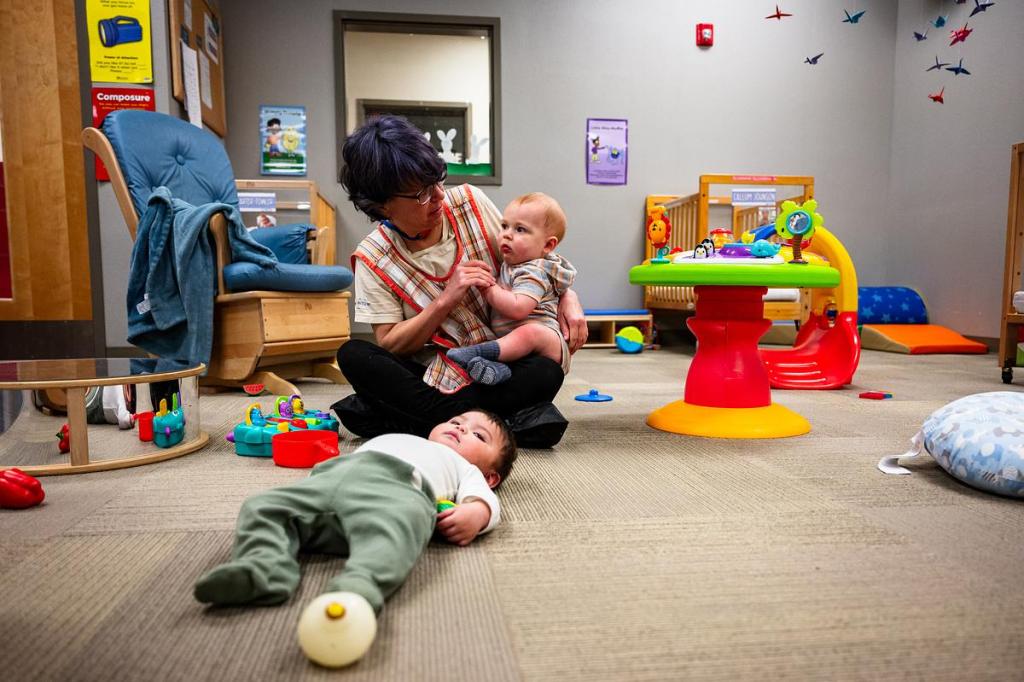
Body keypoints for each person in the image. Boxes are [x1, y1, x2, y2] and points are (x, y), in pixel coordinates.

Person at [333, 115, 587, 447]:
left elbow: (531, 257)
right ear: (383, 205)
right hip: (434, 373)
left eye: (439, 180)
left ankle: (400, 421)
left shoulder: (469, 202)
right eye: (422, 193)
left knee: (546, 369)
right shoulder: (373, 257)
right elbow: (393, 344)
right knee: (354, 355)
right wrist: (445, 300)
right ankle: (504, 424)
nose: (440, 197)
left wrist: (568, 295)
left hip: (499, 365)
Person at [194, 410, 515, 613]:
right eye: (457, 420)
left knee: (395, 532)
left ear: (490, 475)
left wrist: (476, 514)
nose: (460, 428)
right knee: (262, 506)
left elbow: (486, 502)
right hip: (333, 479)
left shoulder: (464, 468)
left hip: (399, 490)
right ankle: (263, 567)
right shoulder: (409, 437)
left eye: (477, 435)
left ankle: (359, 587)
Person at [446, 192, 575, 385]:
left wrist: (489, 289)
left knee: (529, 333)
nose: (507, 234)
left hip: (547, 341)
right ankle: (497, 371)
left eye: (520, 229)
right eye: (504, 226)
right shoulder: (513, 265)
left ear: (548, 245)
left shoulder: (534, 271)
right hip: (517, 348)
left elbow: (518, 308)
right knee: (513, 364)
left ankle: (479, 352)